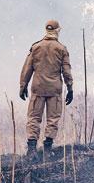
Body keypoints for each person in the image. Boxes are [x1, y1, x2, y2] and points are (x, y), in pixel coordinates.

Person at [19, 19, 74, 161]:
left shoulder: (36, 47)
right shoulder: (62, 49)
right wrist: (70, 88)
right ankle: (47, 150)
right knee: (53, 119)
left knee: (33, 118)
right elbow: (66, 71)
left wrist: (23, 86)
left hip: (38, 88)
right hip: (54, 89)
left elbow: (27, 68)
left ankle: (31, 150)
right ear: (57, 31)